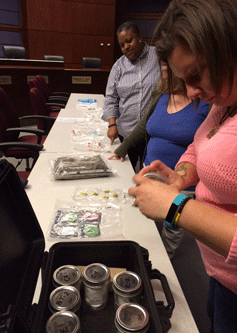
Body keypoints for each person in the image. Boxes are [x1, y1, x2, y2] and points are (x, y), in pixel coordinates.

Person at [128, 0, 237, 332]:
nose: (192, 92)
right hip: (221, 274)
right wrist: (181, 176)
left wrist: (175, 206)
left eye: (195, 75)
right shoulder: (225, 101)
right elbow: (199, 144)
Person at [108, 64, 210, 258]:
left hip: (182, 181)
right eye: (162, 70)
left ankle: (166, 255)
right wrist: (123, 148)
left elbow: (203, 146)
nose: (163, 75)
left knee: (172, 224)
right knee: (144, 219)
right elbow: (143, 125)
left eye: (167, 71)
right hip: (151, 170)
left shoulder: (205, 104)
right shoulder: (161, 97)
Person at [102, 21, 160, 172]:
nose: (126, 47)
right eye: (122, 45)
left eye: (129, 41)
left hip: (152, 133)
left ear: (139, 37)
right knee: (126, 175)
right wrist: (112, 124)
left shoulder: (159, 57)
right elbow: (110, 98)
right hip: (126, 132)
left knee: (150, 174)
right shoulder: (118, 66)